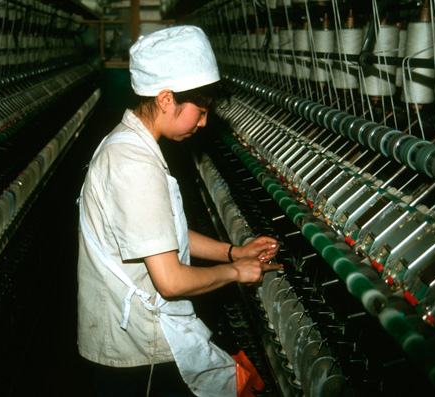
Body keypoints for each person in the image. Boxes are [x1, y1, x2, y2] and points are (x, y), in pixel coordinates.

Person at [77, 25, 281, 397]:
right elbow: (170, 281)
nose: (203, 123)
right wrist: (236, 271)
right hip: (136, 354)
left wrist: (233, 250)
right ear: (166, 98)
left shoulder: (129, 146)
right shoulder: (133, 164)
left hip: (135, 341)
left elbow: (161, 236)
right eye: (200, 112)